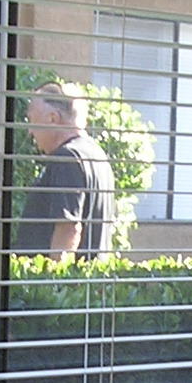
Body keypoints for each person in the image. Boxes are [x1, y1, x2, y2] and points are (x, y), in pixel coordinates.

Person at [11, 80, 116, 258]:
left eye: (32, 120)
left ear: (53, 118)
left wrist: (52, 280)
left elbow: (68, 228)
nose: (30, 132)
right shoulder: (96, 155)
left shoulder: (67, 158)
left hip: (61, 282)